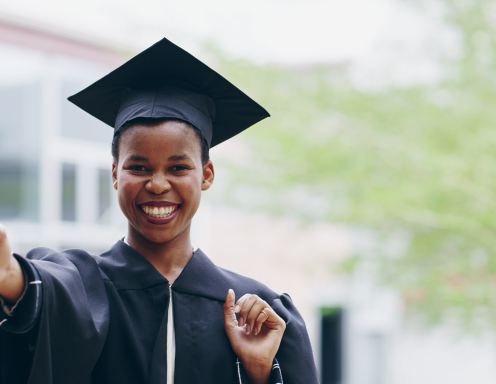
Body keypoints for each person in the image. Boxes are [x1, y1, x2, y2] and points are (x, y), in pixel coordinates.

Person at [0, 38, 319, 384]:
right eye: (138, 168)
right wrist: (11, 278)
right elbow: (47, 289)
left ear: (206, 175)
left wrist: (258, 372)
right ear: (114, 174)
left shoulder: (260, 314)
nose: (157, 184)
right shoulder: (83, 286)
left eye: (178, 168)